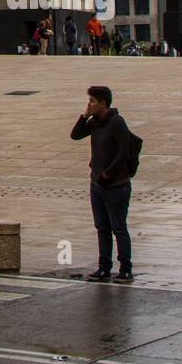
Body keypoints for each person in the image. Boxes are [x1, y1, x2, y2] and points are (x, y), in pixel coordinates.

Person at [70, 85, 134, 283]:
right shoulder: (94, 122)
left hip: (116, 185)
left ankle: (125, 269)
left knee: (119, 228)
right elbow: (75, 135)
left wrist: (108, 173)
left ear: (103, 103)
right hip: (97, 184)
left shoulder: (117, 122)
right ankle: (104, 267)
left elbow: (125, 152)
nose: (89, 104)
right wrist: (84, 116)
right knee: (102, 227)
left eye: (92, 101)